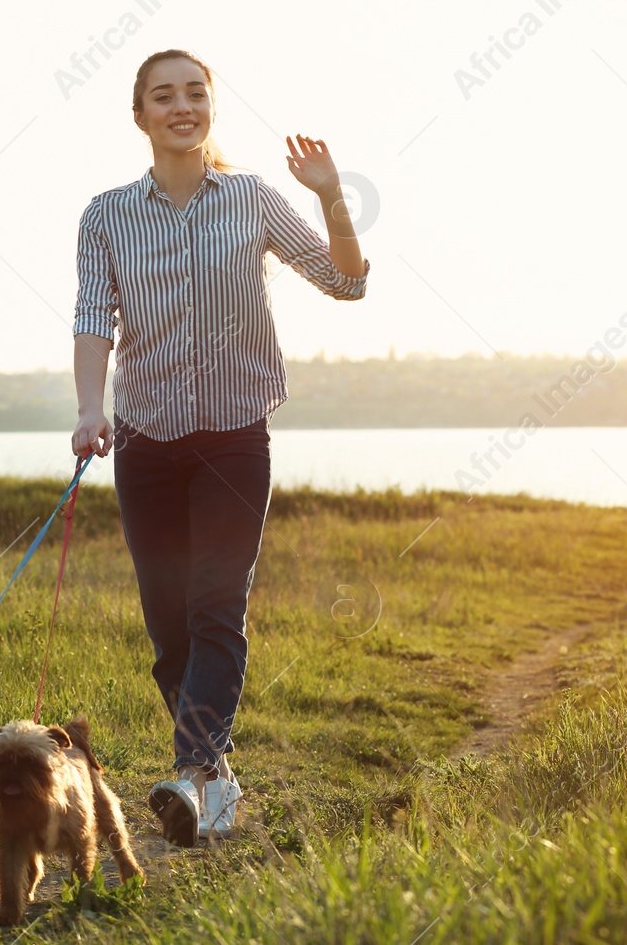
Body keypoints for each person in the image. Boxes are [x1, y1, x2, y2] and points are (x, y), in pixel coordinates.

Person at [70, 48, 370, 846]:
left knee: (216, 602)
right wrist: (88, 408)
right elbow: (92, 319)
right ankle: (218, 775)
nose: (182, 106)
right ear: (140, 115)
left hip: (234, 434)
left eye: (195, 93)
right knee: (169, 624)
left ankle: (192, 770)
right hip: (142, 436)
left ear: (211, 107)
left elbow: (346, 281)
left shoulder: (251, 199)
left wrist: (334, 196)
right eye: (164, 96)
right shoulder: (105, 215)